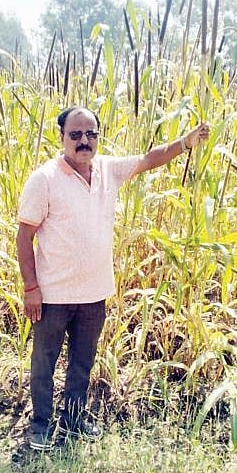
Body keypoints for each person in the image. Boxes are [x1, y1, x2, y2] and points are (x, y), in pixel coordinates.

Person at [17, 106, 209, 450]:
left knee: (82, 362)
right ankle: (41, 425)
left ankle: (73, 420)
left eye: (91, 134)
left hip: (94, 294)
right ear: (61, 137)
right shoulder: (44, 179)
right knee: (44, 362)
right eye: (75, 134)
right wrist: (31, 288)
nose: (84, 141)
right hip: (53, 296)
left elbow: (149, 159)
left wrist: (185, 143)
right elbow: (24, 237)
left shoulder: (107, 169)